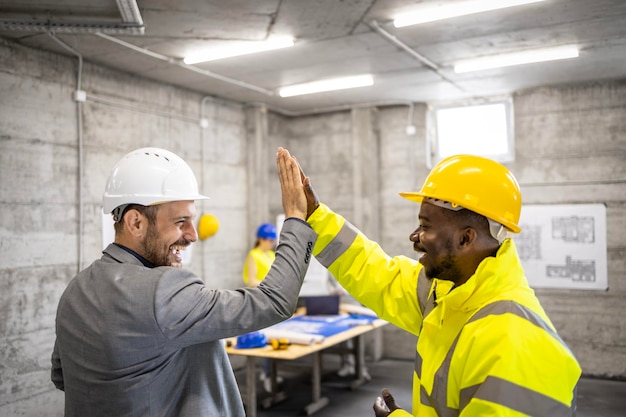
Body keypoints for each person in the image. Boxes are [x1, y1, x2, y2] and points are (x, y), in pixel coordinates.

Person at [281, 150, 582, 417]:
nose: (415, 237)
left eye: (425, 226)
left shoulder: (514, 342)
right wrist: (315, 217)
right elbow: (376, 273)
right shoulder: (449, 294)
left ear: (466, 238)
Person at [51, 146, 315, 417]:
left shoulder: (75, 290)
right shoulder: (162, 290)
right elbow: (274, 302)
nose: (192, 235)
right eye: (181, 222)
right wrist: (296, 216)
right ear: (135, 223)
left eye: (192, 220)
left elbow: (63, 377)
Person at [243, 223, 277, 288]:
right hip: (259, 294)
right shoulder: (254, 255)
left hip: (270, 292)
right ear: (261, 239)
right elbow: (251, 282)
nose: (272, 243)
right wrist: (270, 285)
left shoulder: (272, 254)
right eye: (270, 240)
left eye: (273, 241)